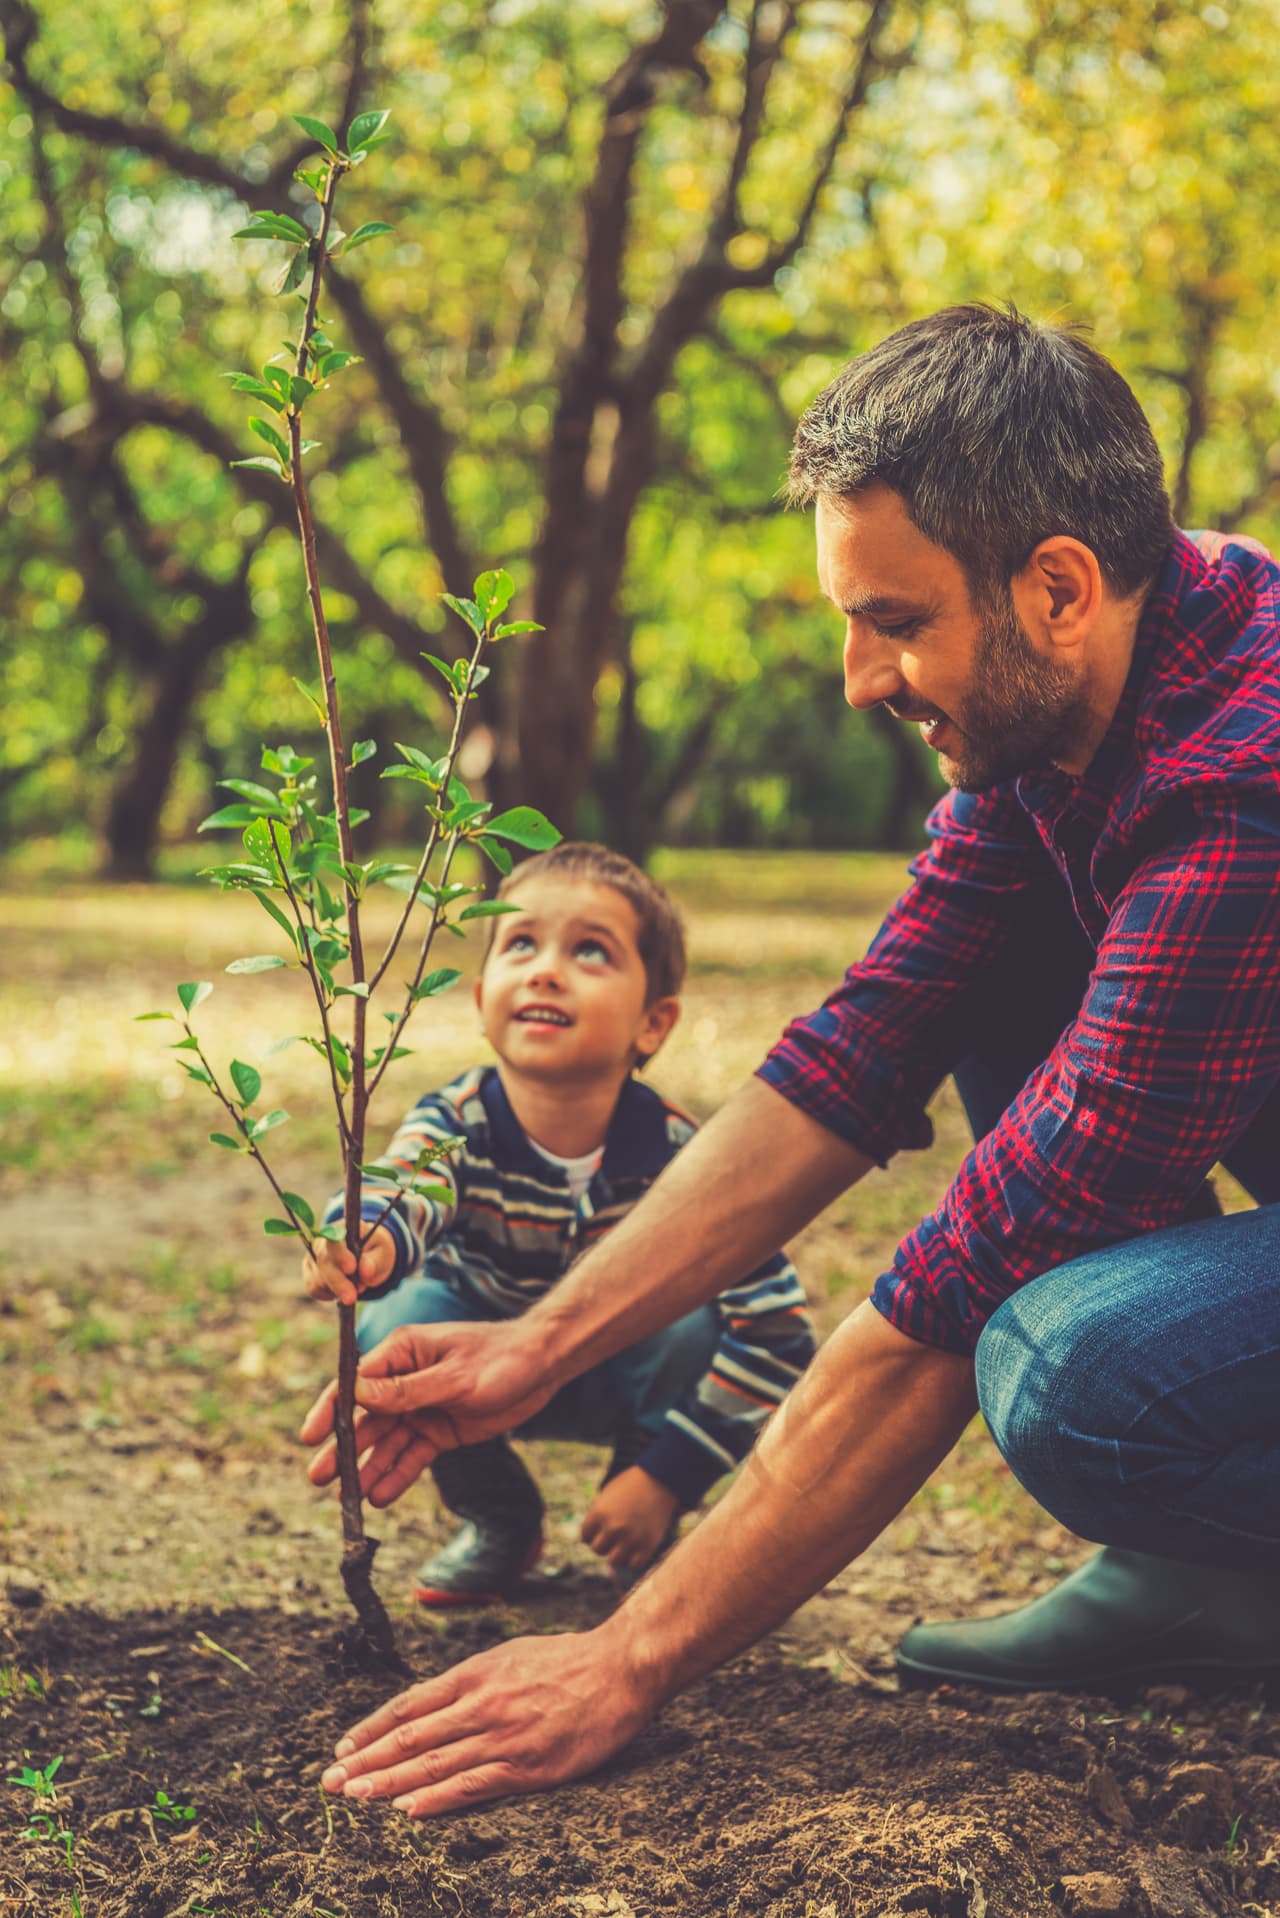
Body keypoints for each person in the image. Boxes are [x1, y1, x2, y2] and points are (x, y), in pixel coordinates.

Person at [303, 305, 1280, 1818]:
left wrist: (626, 1657)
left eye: (894, 620)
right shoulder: (1094, 680)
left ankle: (1221, 1554)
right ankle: (1204, 1574)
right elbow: (865, 1047)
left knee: (1068, 1362)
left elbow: (976, 1269)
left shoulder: (1244, 791)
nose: (858, 676)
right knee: (1001, 988)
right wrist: (538, 1344)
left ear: (1059, 587)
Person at [303, 839, 815, 1602]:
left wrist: (665, 1477)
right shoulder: (457, 1121)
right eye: (520, 944)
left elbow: (779, 1333)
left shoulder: (684, 1157)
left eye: (590, 951)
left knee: (697, 1324)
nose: (546, 968)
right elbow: (409, 1184)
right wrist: (365, 1235)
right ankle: (502, 1518)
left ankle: (638, 1516)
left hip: (624, 1374)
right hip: (469, 1370)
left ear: (653, 1022)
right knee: (394, 1323)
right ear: (481, 1001)